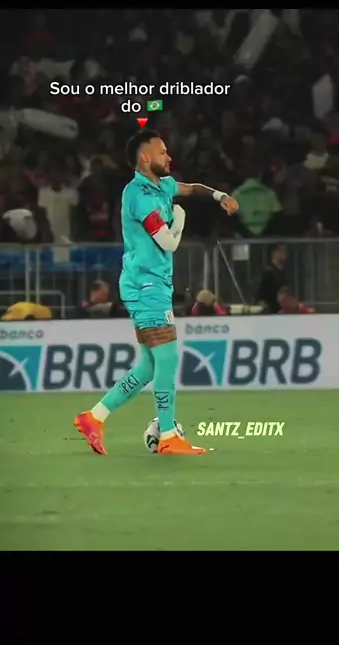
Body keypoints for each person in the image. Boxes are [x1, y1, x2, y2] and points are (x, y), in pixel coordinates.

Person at [73, 128, 239, 456]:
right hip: (146, 285)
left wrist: (220, 196)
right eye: (162, 152)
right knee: (168, 357)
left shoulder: (163, 185)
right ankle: (167, 435)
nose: (169, 156)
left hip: (150, 284)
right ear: (146, 157)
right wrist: (179, 219)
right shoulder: (139, 194)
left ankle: (94, 417)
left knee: (149, 366)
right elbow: (167, 242)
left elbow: (192, 188)